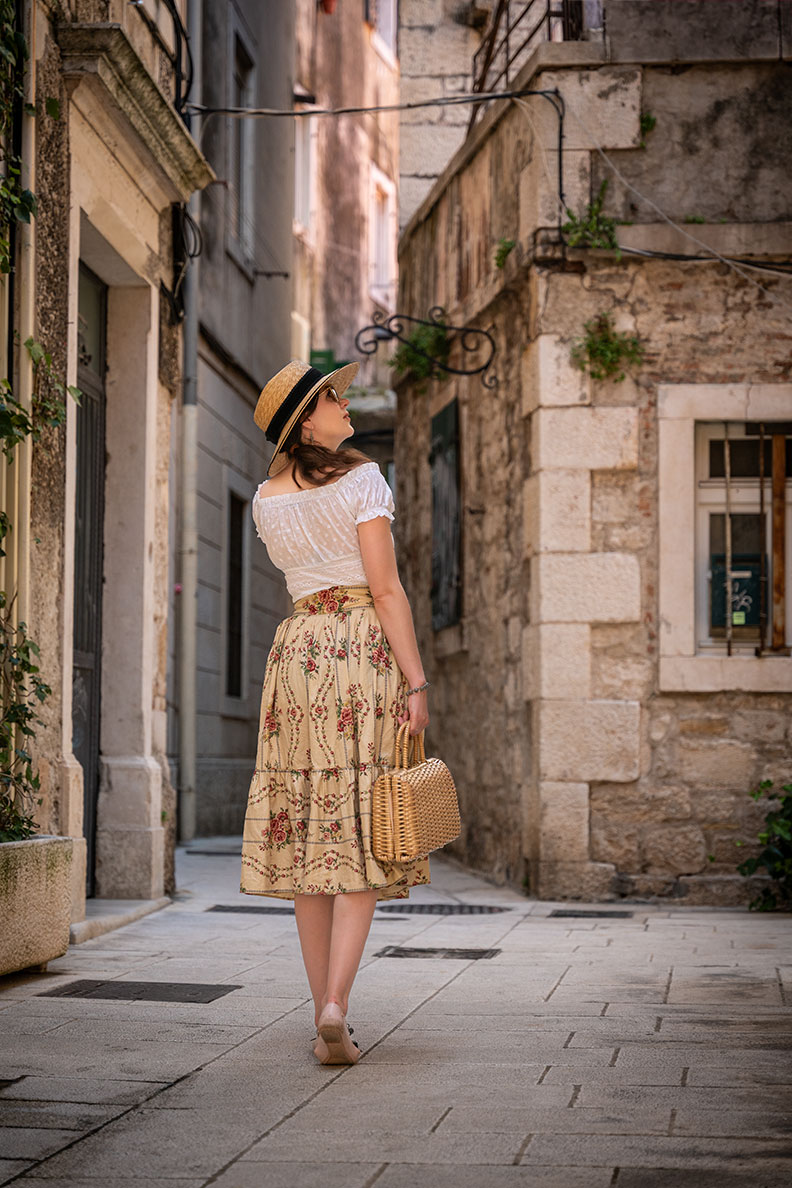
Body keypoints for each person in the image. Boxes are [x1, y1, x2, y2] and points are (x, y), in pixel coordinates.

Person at [239, 358, 431, 1066]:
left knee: (312, 829)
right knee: (361, 826)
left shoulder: (265, 500)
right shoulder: (363, 481)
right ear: (306, 423)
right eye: (331, 398)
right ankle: (336, 1007)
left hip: (296, 654)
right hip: (358, 653)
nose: (345, 403)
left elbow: (303, 575)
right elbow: (384, 591)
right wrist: (416, 682)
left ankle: (325, 1016)